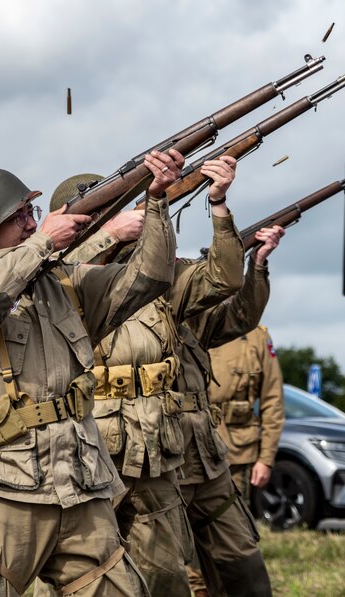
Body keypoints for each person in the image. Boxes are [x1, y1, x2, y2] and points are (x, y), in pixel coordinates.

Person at [0, 150, 182, 596]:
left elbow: (150, 278)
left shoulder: (64, 282)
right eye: (20, 217)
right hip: (1, 481)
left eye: (32, 212)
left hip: (78, 479)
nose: (32, 222)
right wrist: (42, 243)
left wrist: (158, 201)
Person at [53, 155, 245, 596]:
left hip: (153, 448)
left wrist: (218, 204)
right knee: (81, 578)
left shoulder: (155, 275)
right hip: (87, 452)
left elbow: (224, 279)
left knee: (164, 577)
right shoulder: (54, 276)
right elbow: (49, 277)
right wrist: (106, 235)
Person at [184, 225, 284, 597]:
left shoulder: (253, 334)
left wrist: (266, 457)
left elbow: (273, 400)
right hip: (182, 451)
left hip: (233, 454)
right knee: (187, 561)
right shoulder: (183, 318)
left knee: (236, 552)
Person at [207, 324, 285, 501]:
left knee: (234, 520)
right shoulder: (189, 324)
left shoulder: (257, 336)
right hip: (190, 445)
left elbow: (273, 400)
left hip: (236, 450)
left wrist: (266, 459)